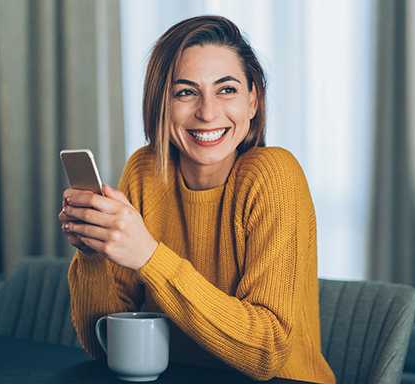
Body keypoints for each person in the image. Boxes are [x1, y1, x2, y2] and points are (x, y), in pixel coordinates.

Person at [59, 15, 335, 384]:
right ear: (162, 103)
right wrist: (93, 253)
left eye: (226, 90)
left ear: (253, 100)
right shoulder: (145, 171)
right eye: (185, 92)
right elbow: (106, 345)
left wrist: (149, 257)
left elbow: (266, 352)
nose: (207, 112)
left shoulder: (275, 175)